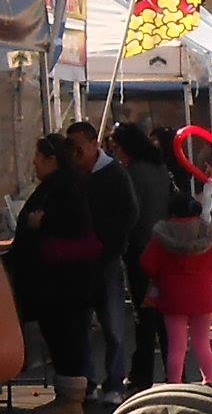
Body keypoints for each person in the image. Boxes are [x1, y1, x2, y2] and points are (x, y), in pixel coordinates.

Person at [9, 135, 100, 414]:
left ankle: (70, 402)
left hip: (61, 285)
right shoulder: (68, 185)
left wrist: (38, 227)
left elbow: (68, 230)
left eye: (39, 157)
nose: (34, 162)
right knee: (65, 340)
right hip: (64, 285)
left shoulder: (63, 189)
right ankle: (69, 400)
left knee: (66, 340)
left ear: (52, 159)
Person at [67, 121, 139, 405]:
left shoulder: (115, 174)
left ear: (93, 143)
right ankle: (86, 381)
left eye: (78, 147)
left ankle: (114, 382)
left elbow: (130, 214)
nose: (74, 153)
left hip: (106, 260)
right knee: (81, 324)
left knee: (113, 326)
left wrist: (111, 246)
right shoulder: (73, 175)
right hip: (80, 262)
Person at [141, 192, 212, 386]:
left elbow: (147, 263)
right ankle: (210, 380)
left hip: (172, 296)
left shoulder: (162, 236)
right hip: (204, 296)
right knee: (202, 342)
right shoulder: (207, 233)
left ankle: (175, 382)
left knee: (176, 346)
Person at [110, 123, 172, 393]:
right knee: (164, 315)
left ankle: (141, 374)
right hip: (166, 249)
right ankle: (175, 372)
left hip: (142, 251)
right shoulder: (159, 168)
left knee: (144, 314)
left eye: (116, 148)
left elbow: (131, 213)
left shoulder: (131, 173)